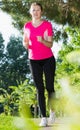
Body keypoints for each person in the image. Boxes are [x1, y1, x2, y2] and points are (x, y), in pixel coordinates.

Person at [23, 2, 56, 127]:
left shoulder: (47, 25)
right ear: (30, 12)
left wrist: (42, 40)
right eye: (33, 10)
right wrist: (25, 44)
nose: (35, 12)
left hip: (48, 59)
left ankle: (52, 111)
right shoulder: (27, 26)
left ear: (41, 11)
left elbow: (50, 44)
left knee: (49, 87)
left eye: (37, 10)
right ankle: (43, 117)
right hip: (33, 60)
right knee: (39, 89)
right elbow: (25, 40)